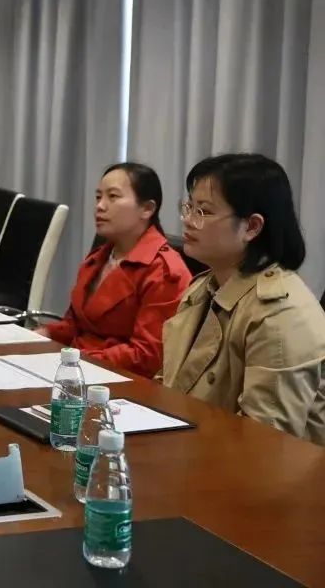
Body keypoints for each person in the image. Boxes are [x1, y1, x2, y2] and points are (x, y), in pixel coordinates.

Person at [162, 154, 324, 445]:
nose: (187, 220)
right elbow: (169, 385)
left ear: (252, 227)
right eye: (189, 207)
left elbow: (263, 443)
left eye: (203, 211)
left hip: (249, 466)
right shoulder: (202, 288)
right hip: (191, 448)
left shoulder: (280, 314)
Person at [38, 162, 192, 377]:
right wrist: (43, 333)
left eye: (113, 196)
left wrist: (75, 359)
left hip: (120, 381)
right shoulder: (99, 258)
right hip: (76, 369)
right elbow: (74, 325)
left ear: (147, 209)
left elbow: (146, 356)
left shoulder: (164, 271)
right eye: (98, 197)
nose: (100, 206)